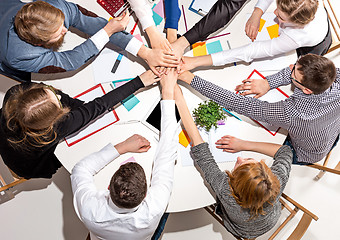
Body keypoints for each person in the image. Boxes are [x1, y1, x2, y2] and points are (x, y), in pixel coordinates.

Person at [71, 69, 179, 240]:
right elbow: (167, 153)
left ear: (108, 186)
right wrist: (168, 92)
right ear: (145, 195)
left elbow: (80, 169)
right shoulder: (154, 209)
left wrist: (122, 147)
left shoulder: (89, 210)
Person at [173, 84, 293, 239]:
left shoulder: (226, 193)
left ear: (234, 186)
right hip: (271, 220)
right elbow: (285, 151)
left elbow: (202, 152)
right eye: (248, 159)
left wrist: (179, 99)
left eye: (239, 165)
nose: (239, 157)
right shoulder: (277, 181)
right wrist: (245, 144)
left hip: (239, 230)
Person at [178, 53, 340, 164]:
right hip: (331, 128)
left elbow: (241, 104)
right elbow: (295, 71)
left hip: (308, 152)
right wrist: (268, 82)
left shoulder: (294, 113)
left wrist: (189, 78)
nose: (289, 68)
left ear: (307, 90)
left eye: (293, 75)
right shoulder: (332, 73)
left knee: (280, 150)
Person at [0, 70, 160, 179]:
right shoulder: (55, 129)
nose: (58, 95)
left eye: (49, 91)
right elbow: (99, 106)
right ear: (52, 121)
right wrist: (139, 82)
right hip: (26, 163)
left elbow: (80, 106)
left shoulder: (15, 92)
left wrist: (79, 108)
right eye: (58, 103)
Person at [0, 0, 178, 80]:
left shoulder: (55, 8)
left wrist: (144, 52)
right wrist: (107, 31)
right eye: (58, 32)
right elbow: (69, 61)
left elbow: (86, 21)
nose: (65, 29)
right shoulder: (20, 56)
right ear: (39, 44)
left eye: (62, 23)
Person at [173, 0, 331, 72]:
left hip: (314, 45)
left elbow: (251, 51)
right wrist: (258, 12)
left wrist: (196, 61)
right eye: (277, 8)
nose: (275, 15)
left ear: (296, 24)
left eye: (281, 18)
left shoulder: (296, 37)